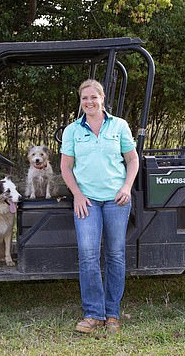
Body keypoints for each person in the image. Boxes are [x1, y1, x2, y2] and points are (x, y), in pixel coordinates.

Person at [60, 79, 139, 333]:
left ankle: (113, 314)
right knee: (88, 254)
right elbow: (65, 167)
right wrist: (77, 195)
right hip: (87, 201)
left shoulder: (119, 126)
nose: (89, 102)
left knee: (115, 254)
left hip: (116, 199)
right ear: (80, 101)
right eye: (85, 98)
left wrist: (126, 187)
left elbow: (132, 159)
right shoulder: (72, 130)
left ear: (102, 99)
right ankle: (93, 313)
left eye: (94, 97)